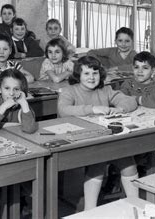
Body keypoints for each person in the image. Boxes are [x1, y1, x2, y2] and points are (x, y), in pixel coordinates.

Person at [58, 56, 139, 210]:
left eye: (95, 73)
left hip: (104, 139)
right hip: (78, 141)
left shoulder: (105, 89)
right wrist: (92, 109)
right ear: (78, 75)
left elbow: (130, 101)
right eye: (86, 73)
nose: (91, 77)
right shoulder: (69, 91)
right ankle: (90, 210)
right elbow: (63, 110)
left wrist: (120, 109)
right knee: (99, 161)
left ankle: (136, 206)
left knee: (128, 161)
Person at [0, 68, 37, 218]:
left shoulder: (24, 108)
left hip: (19, 155)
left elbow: (29, 128)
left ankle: (26, 207)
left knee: (31, 176)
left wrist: (23, 104)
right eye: (7, 88)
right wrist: (4, 107)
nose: (11, 93)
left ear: (22, 91)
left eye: (16, 89)